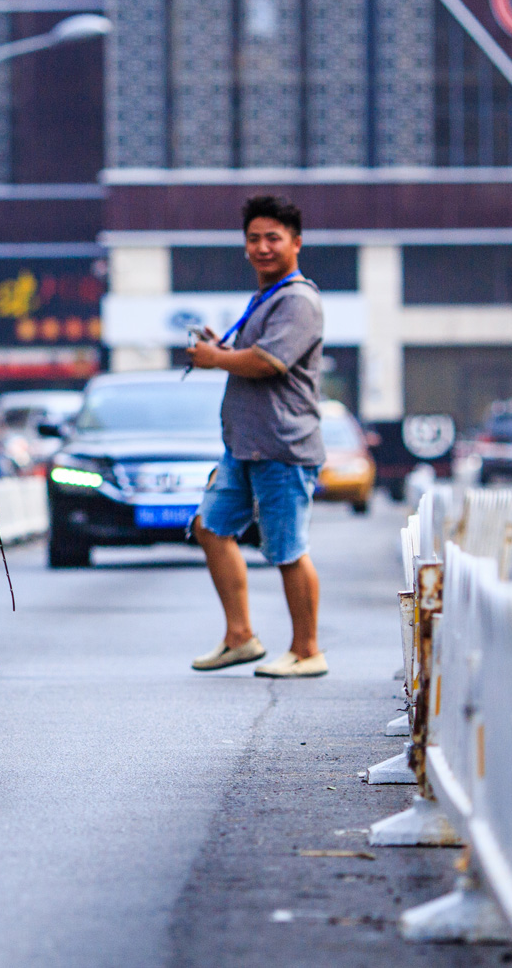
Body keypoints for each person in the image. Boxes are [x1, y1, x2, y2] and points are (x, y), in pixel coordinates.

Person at [183, 194, 329, 679]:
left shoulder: (299, 299)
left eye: (273, 238)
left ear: (296, 243)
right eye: (254, 238)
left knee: (287, 549)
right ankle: (240, 637)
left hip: (282, 445)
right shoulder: (266, 297)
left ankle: (307, 651)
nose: (262, 247)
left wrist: (214, 359)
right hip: (244, 445)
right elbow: (250, 355)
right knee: (211, 527)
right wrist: (220, 348)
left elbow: (270, 362)